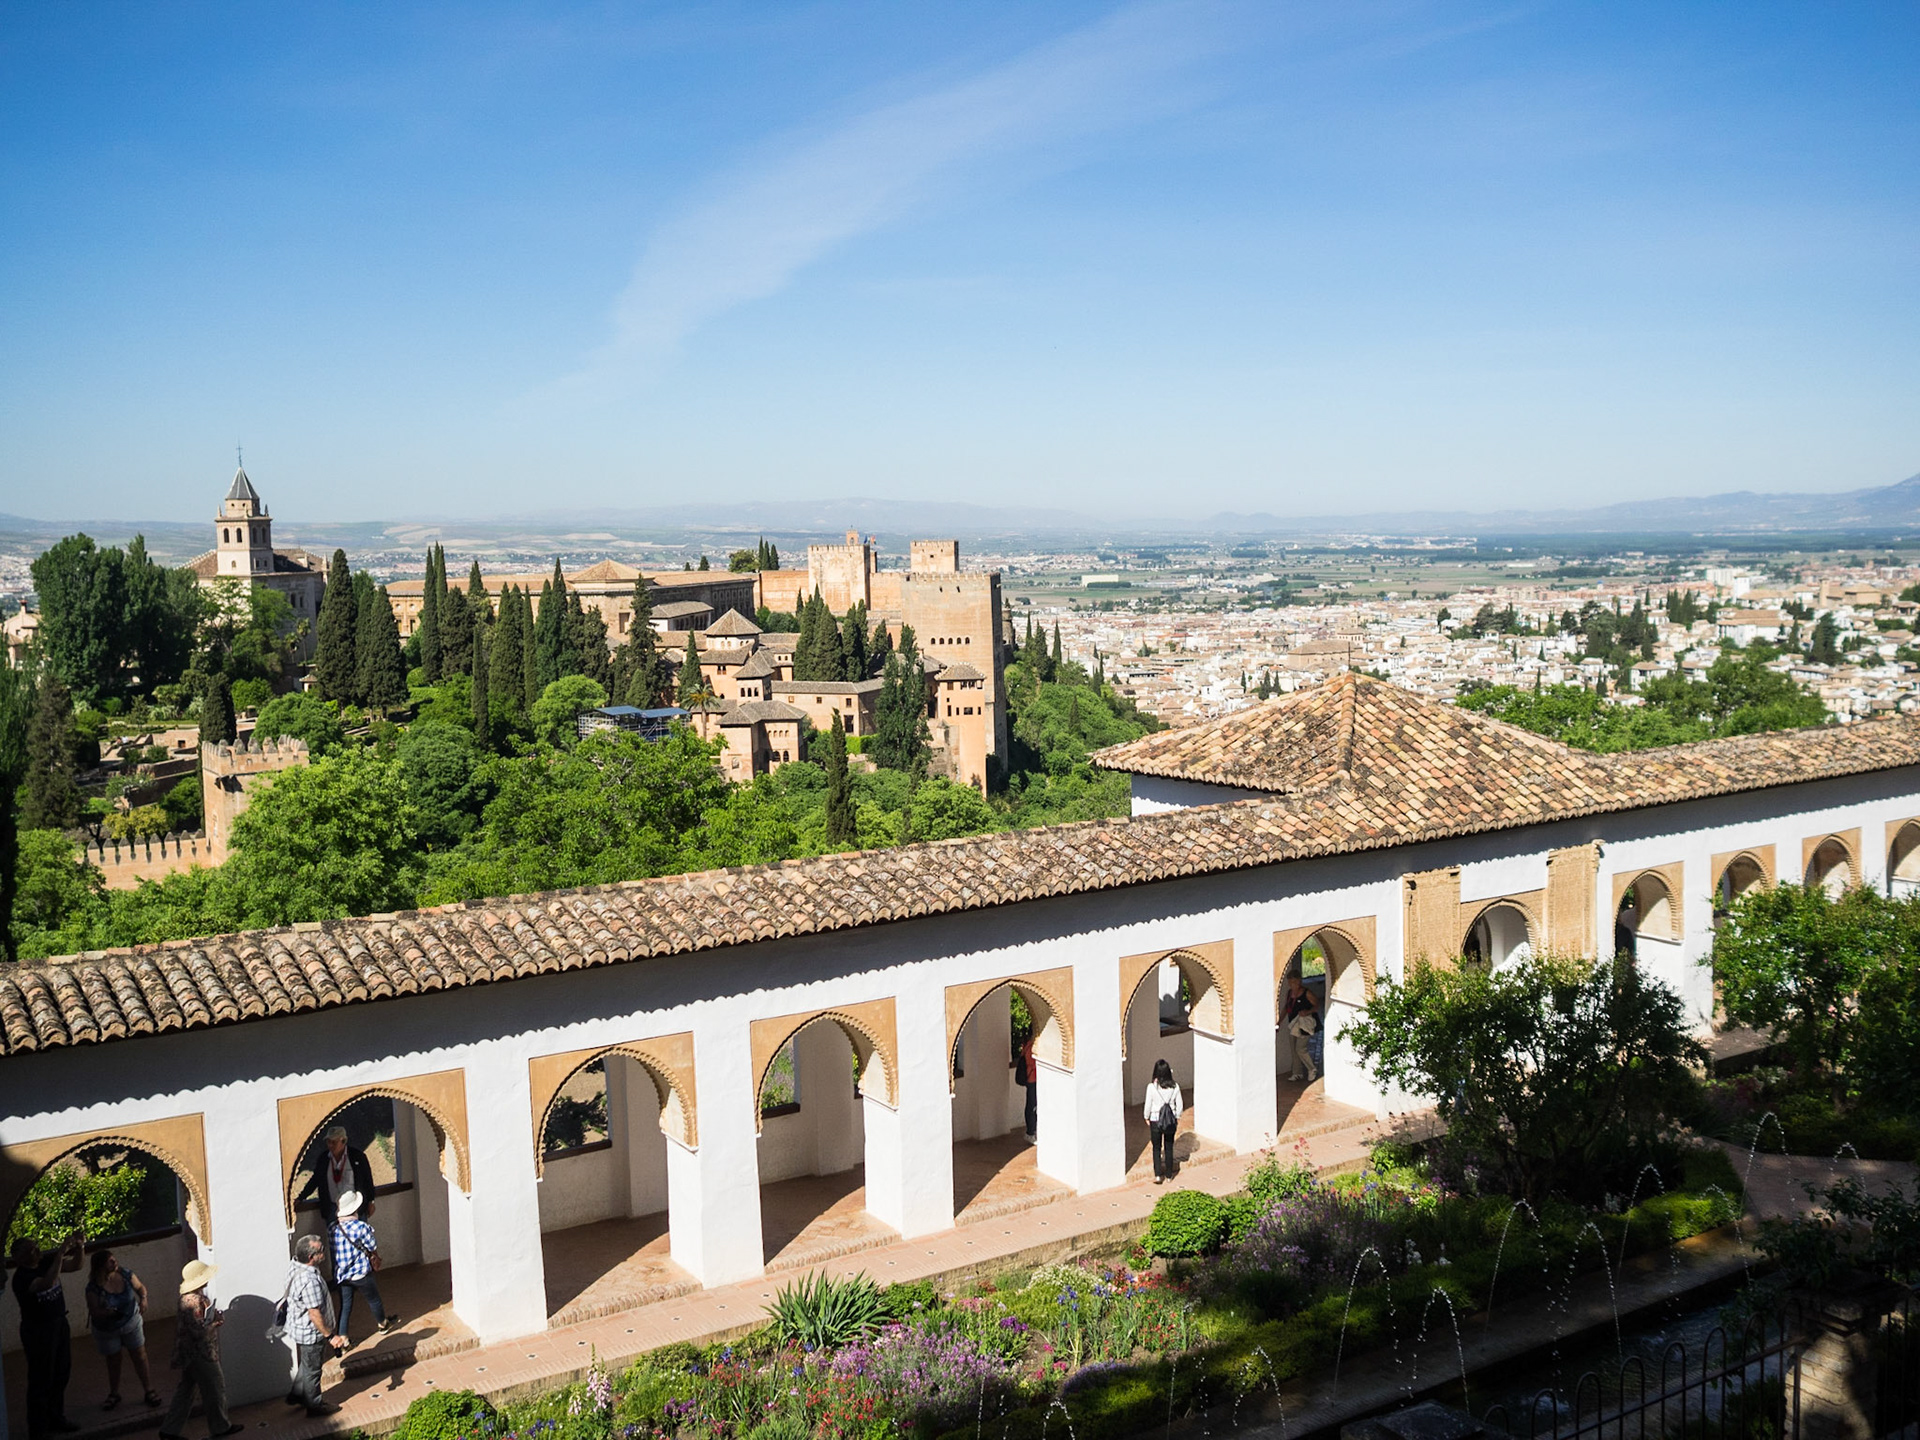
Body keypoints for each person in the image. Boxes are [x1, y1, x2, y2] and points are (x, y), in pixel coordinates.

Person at [159, 1259, 241, 1440]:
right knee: (214, 1388)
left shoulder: (185, 1299)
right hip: (201, 1353)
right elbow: (199, 1331)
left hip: (189, 1353)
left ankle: (169, 1430)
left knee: (186, 1390)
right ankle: (220, 1426)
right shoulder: (195, 1301)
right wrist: (215, 1323)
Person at [10, 1233, 82, 1436]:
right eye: (30, 1250)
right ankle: (38, 1428)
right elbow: (48, 1282)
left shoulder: (46, 1263)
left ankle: (56, 1418)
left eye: (35, 1246)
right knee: (41, 1379)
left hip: (59, 1323)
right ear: (19, 1257)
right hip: (38, 1331)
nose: (36, 1251)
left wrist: (79, 1249)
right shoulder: (21, 1278)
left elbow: (75, 1266)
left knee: (61, 1373)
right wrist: (60, 1252)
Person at [84, 1248, 160, 1409]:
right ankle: (114, 1393)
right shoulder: (93, 1288)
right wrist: (107, 1313)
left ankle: (149, 1390)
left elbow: (140, 1288)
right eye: (109, 1261)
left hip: (130, 1322)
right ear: (100, 1266)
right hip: (107, 1329)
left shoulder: (126, 1274)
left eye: (114, 1259)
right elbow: (94, 1311)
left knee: (139, 1355)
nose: (114, 1262)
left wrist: (144, 1299)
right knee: (113, 1360)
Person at [283, 1234, 347, 1415]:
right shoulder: (309, 1281)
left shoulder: (295, 1265)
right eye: (320, 1251)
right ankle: (314, 1406)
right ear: (311, 1257)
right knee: (313, 1370)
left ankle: (297, 1394)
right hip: (311, 1333)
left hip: (299, 1327)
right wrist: (330, 1336)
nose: (323, 1253)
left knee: (307, 1364)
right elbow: (314, 1314)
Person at [328, 1190, 398, 1342]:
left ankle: (343, 1339)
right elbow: (372, 1245)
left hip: (342, 1274)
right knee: (374, 1299)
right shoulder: (361, 1227)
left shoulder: (332, 1228)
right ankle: (382, 1324)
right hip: (361, 1273)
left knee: (345, 1305)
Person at [295, 1125, 375, 1224]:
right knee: (335, 1237)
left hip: (354, 1207)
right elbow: (315, 1180)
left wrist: (371, 1201)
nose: (330, 1145)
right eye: (328, 1142)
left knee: (358, 1236)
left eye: (334, 1142)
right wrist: (301, 1197)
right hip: (332, 1208)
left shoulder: (357, 1157)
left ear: (343, 1141)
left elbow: (367, 1179)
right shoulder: (324, 1159)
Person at [1143, 1058, 1184, 1184]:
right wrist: (1176, 1116)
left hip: (1156, 1119)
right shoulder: (1175, 1086)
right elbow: (1180, 1105)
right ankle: (1169, 1175)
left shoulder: (1151, 1087)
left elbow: (1148, 1105)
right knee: (1169, 1147)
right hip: (1170, 1121)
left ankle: (1157, 1175)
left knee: (1156, 1147)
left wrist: (1146, 1116)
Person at [1283, 975, 1321, 1083]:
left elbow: (1316, 1005)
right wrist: (1279, 1020)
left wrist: (1307, 1012)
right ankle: (1297, 1073)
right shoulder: (1290, 993)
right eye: (1290, 982)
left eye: (1294, 982)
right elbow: (1287, 1008)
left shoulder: (1307, 993)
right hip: (1294, 1024)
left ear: (1299, 982)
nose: (1292, 985)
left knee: (1300, 1049)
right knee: (1294, 1049)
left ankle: (1312, 1069)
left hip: (1305, 1025)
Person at [1012, 1031, 1038, 1144]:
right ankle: (1030, 1132)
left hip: (1031, 1079)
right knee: (1032, 1106)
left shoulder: (1027, 1045)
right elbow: (1033, 1062)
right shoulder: (1032, 1046)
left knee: (1032, 1105)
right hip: (1033, 1079)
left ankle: (1032, 1131)